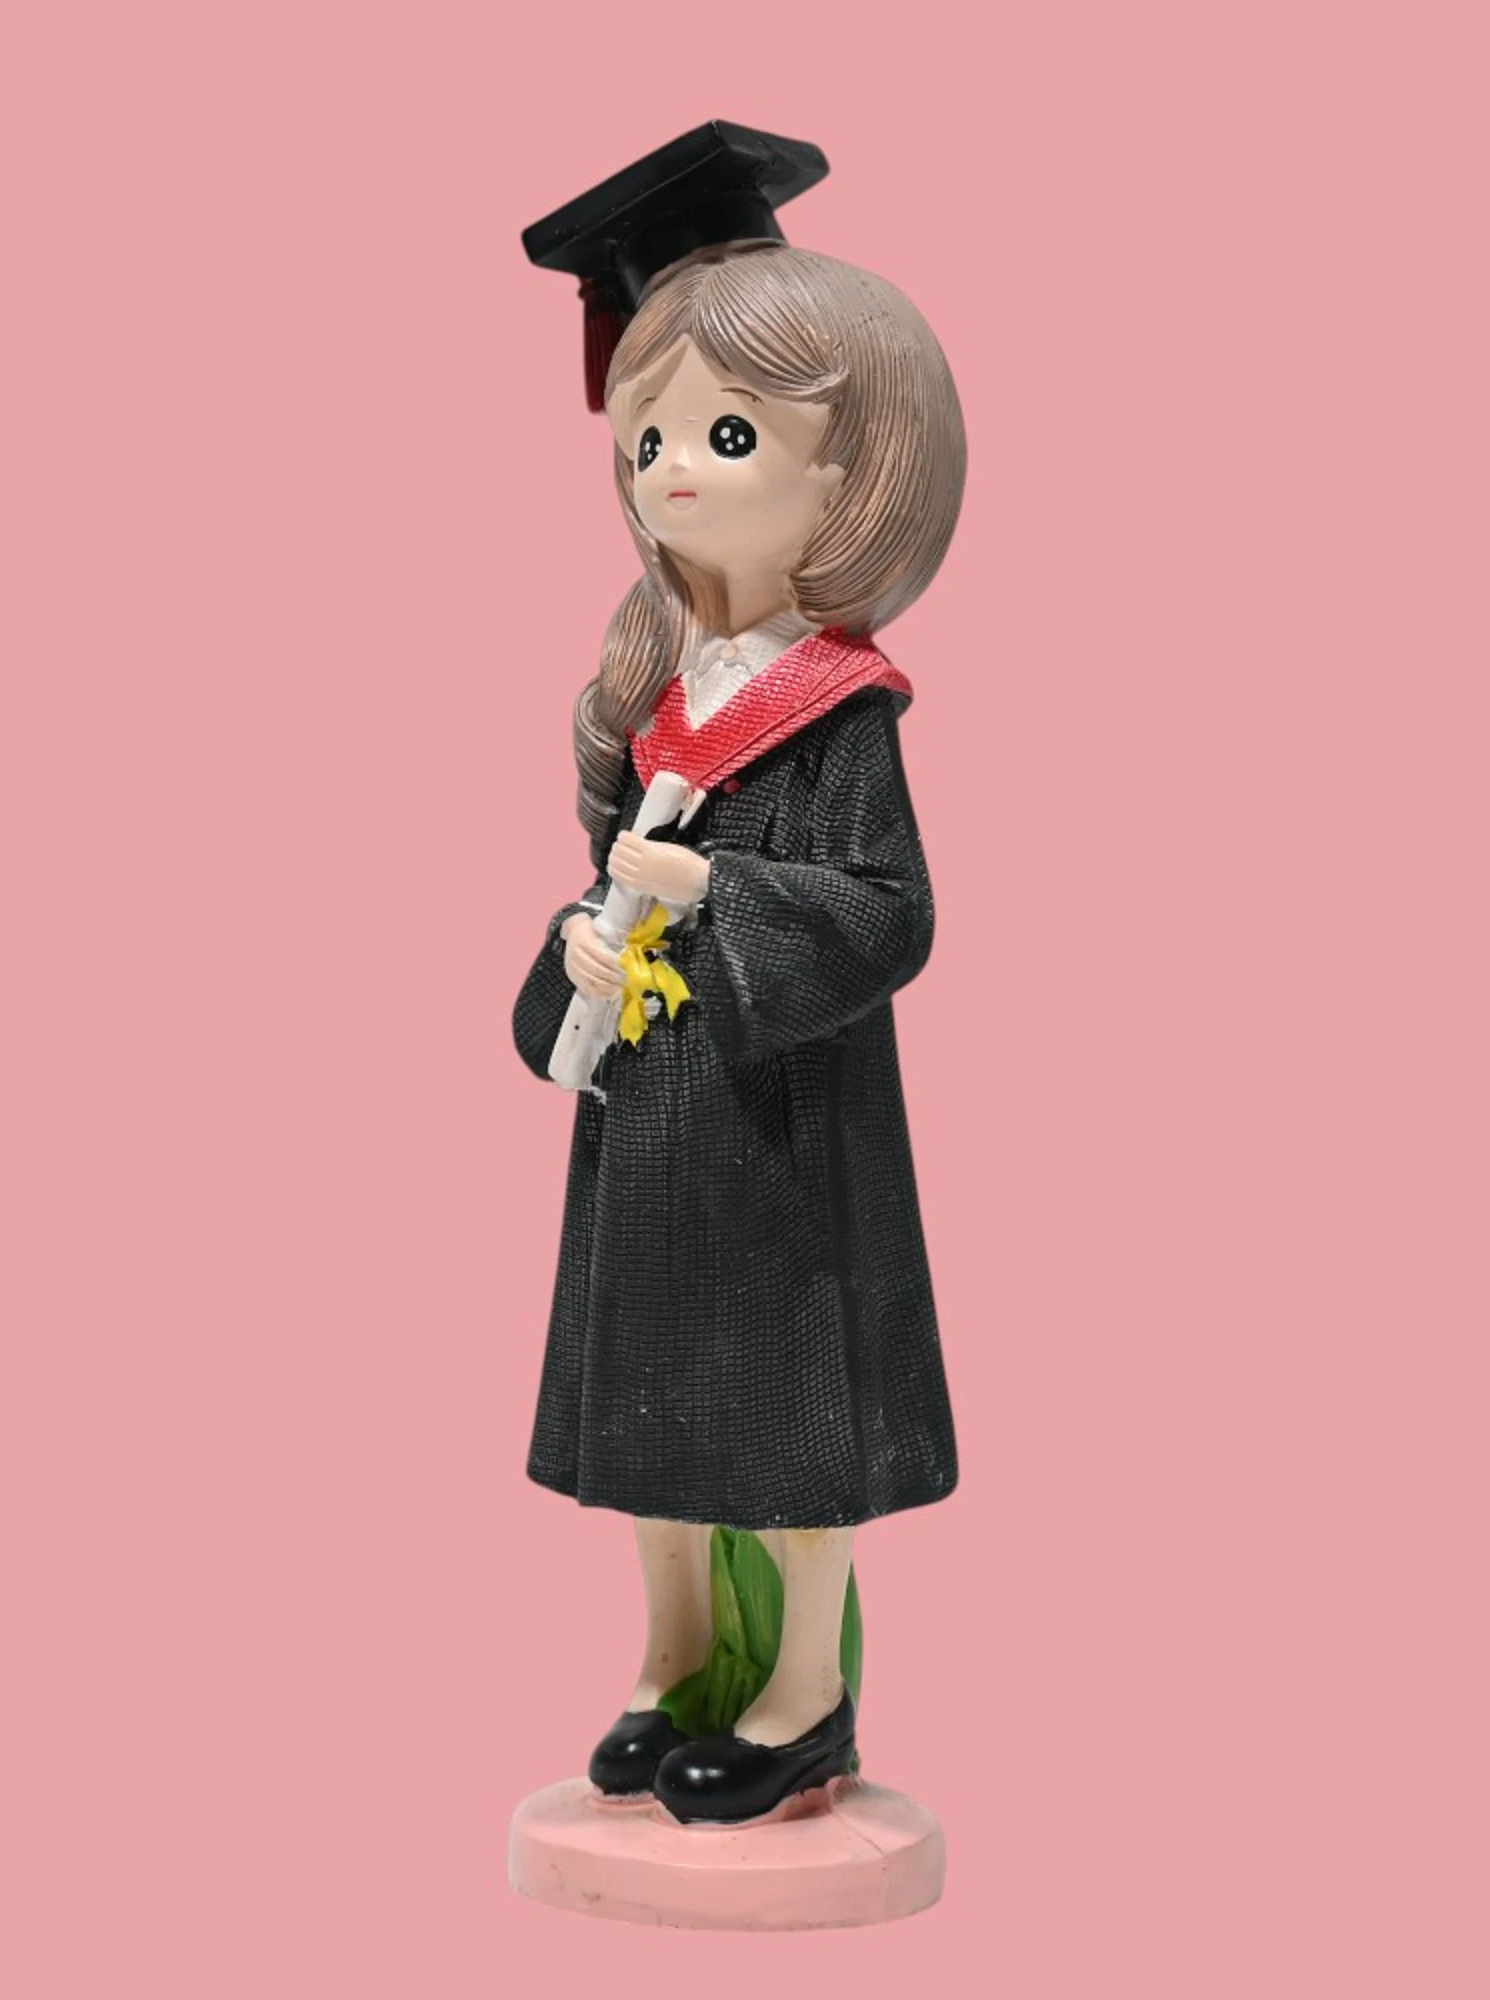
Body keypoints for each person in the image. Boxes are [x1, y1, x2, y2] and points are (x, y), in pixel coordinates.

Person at [513, 131, 967, 1828]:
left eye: (727, 435)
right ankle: (672, 1657)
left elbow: (891, 914)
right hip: (655, 1123)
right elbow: (610, 885)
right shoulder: (660, 705)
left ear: (860, 472)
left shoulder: (837, 713)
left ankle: (802, 1699)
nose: (675, 476)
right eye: (650, 440)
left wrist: (715, 891)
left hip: (782, 1130)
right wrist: (578, 939)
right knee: (651, 1407)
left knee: (778, 1416)